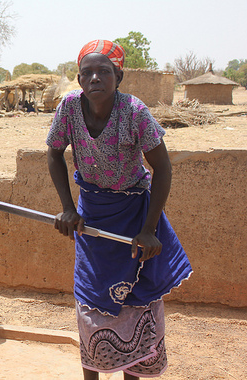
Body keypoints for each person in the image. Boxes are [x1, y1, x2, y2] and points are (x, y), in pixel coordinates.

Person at [46, 40, 192, 379]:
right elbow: (53, 152)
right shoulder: (68, 109)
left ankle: (133, 373)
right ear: (80, 81)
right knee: (90, 298)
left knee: (136, 299)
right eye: (87, 73)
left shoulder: (135, 112)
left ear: (118, 76)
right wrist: (68, 208)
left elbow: (163, 167)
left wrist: (150, 229)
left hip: (134, 215)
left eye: (104, 71)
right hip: (93, 215)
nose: (95, 77)